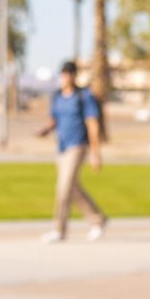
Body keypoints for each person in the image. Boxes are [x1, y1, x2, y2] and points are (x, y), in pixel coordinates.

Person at [38, 58, 108, 242]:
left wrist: (95, 153)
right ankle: (97, 219)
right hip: (61, 147)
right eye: (63, 74)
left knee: (63, 188)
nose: (66, 77)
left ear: (74, 76)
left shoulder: (84, 97)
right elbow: (54, 119)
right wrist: (45, 130)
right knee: (73, 188)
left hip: (78, 146)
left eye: (69, 74)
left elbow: (92, 124)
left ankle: (59, 229)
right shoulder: (57, 96)